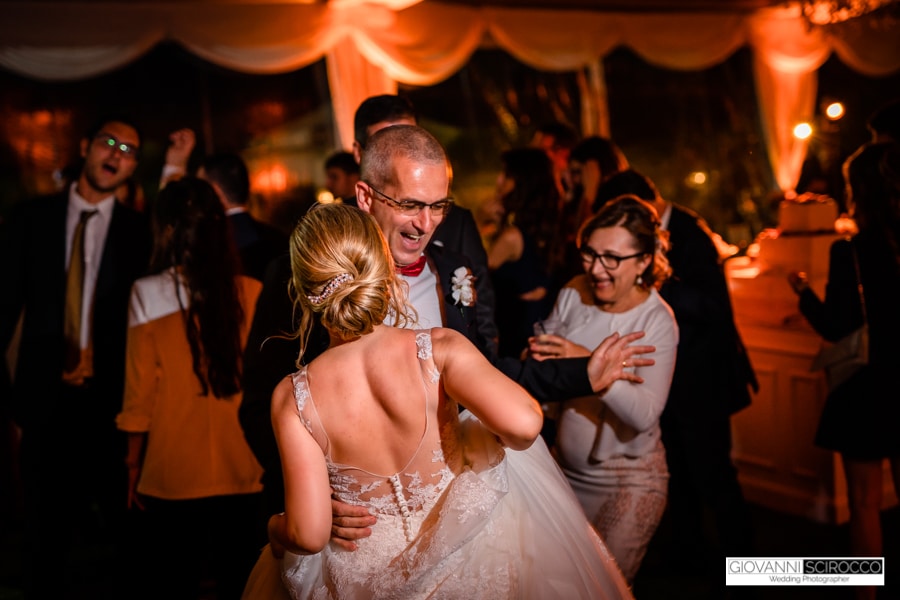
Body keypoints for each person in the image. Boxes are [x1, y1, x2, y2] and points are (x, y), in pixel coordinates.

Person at [242, 201, 634, 599]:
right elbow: (524, 424)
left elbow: (308, 535)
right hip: (464, 560)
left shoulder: (293, 398)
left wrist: (277, 526)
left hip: (359, 574)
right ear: (382, 267)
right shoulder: (437, 349)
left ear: (303, 289)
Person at [239, 95, 499, 525]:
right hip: (353, 524)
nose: (426, 223)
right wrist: (317, 494)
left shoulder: (452, 264)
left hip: (457, 508)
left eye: (438, 206)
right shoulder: (301, 271)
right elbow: (260, 401)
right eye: (410, 204)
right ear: (365, 191)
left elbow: (487, 357)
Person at [0, 114, 151, 597]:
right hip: (43, 403)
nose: (116, 156)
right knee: (43, 543)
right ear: (85, 146)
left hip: (111, 406)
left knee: (127, 542)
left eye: (128, 151)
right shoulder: (31, 218)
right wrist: (10, 404)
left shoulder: (139, 233)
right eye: (109, 143)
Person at [595, 169, 759, 579]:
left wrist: (649, 282)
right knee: (681, 480)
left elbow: (712, 308)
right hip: (673, 384)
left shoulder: (690, 234)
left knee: (716, 480)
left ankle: (748, 576)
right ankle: (692, 564)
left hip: (703, 383)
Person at [116, 177, 264, 600]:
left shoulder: (145, 293)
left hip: (172, 468)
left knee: (173, 581)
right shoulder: (251, 292)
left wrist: (131, 463)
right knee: (242, 582)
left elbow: (139, 393)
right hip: (245, 465)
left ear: (166, 229)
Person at [528, 195, 679, 584]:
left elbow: (644, 414)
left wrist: (588, 363)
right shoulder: (574, 292)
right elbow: (549, 363)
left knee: (601, 590)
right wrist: (537, 359)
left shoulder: (656, 320)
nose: (596, 269)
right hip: (562, 473)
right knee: (553, 587)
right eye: (590, 254)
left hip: (627, 484)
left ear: (644, 260)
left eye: (611, 258)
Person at [788, 141, 900, 600]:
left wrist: (801, 291)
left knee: (864, 504)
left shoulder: (849, 251)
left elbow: (835, 328)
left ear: (859, 193)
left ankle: (865, 597)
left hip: (866, 389)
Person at [482, 147, 559, 358]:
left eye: (506, 176)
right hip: (536, 329)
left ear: (523, 184)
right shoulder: (548, 229)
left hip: (512, 336)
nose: (499, 182)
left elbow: (473, 274)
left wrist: (479, 223)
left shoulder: (512, 237)